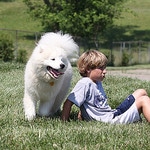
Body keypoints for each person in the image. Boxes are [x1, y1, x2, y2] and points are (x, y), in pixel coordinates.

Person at [61, 49, 150, 124]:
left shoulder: (96, 81)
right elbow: (68, 102)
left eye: (105, 68)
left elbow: (87, 102)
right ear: (88, 69)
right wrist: (64, 121)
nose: (105, 71)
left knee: (141, 92)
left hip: (112, 113)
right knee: (144, 100)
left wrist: (82, 116)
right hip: (109, 120)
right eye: (101, 68)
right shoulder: (85, 83)